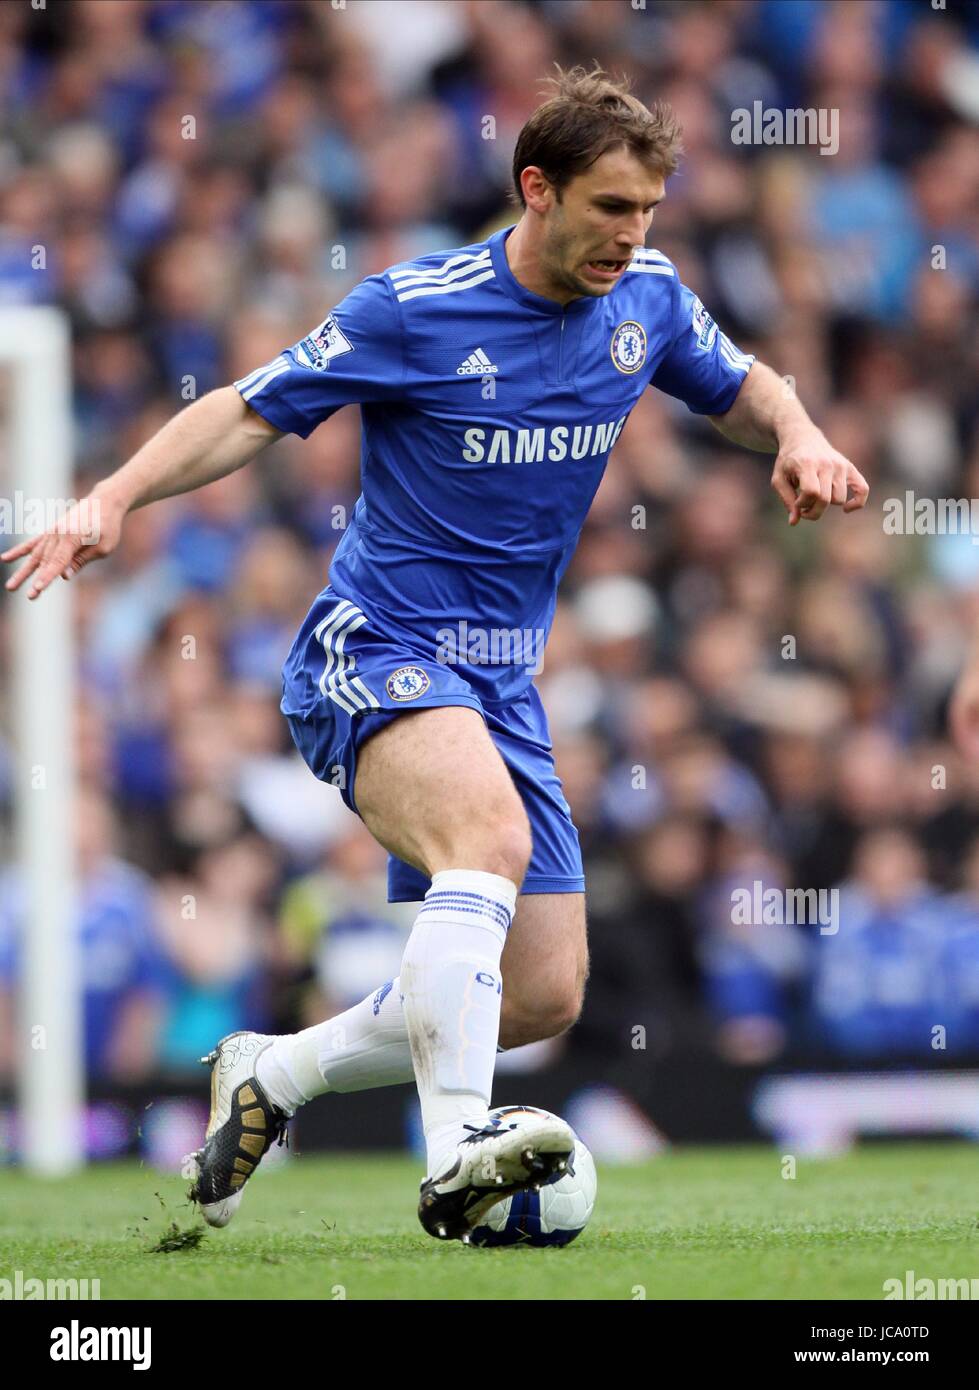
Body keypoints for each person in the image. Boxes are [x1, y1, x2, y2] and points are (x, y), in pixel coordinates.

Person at [3, 67, 868, 1242]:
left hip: (503, 682)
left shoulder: (648, 301)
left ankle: (278, 1074)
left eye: (648, 211)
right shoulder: (414, 307)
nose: (631, 233)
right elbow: (251, 408)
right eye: (609, 207)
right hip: (376, 645)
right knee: (490, 840)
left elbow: (740, 384)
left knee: (543, 991)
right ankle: (459, 1139)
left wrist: (800, 433)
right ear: (536, 189)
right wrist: (110, 496)